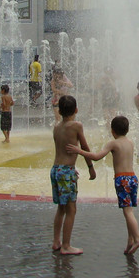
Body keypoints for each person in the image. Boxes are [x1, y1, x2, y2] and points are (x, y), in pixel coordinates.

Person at [67, 115, 139, 255]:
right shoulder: (130, 142)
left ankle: (138, 238)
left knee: (127, 212)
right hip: (133, 178)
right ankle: (130, 241)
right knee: (129, 210)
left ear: (112, 130)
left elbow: (97, 157)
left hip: (122, 180)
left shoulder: (113, 143)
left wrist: (79, 151)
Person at [50, 95, 96, 255]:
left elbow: (61, 150)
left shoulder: (56, 127)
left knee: (61, 208)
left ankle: (56, 241)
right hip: (66, 172)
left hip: (56, 170)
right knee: (71, 209)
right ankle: (66, 246)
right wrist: (91, 167)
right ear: (76, 110)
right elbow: (84, 146)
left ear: (60, 111)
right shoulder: (76, 126)